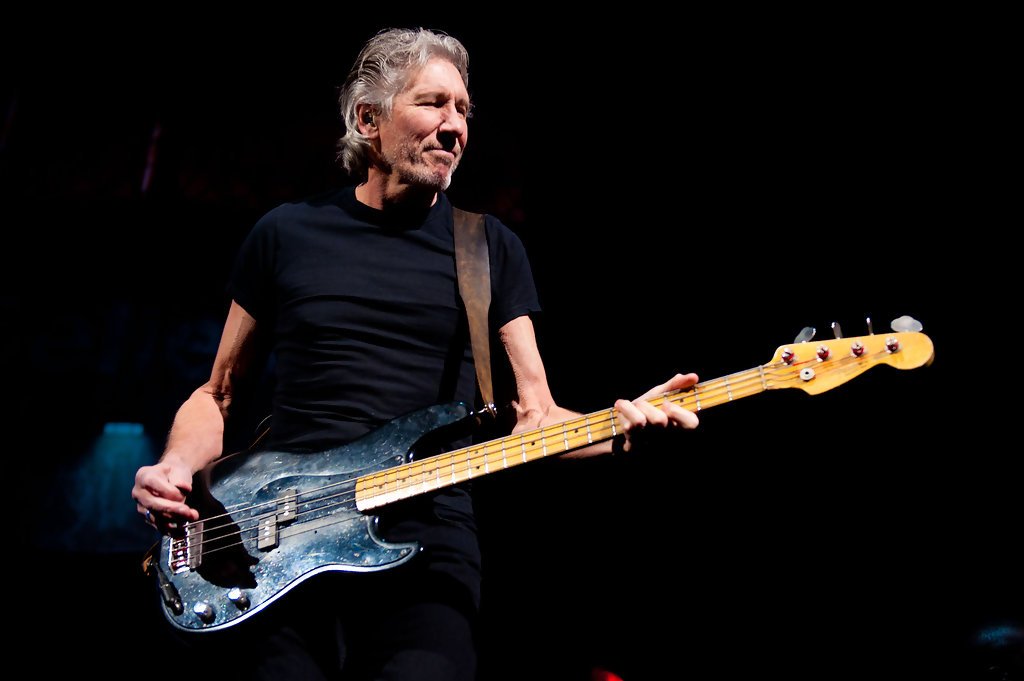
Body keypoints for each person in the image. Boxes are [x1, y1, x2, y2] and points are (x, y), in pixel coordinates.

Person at [131, 26, 699, 680]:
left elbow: (536, 417)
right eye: (433, 103)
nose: (455, 126)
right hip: (275, 537)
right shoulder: (284, 234)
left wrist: (619, 427)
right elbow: (219, 393)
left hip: (428, 544)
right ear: (367, 120)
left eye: (463, 110)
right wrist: (175, 466)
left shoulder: (487, 248)